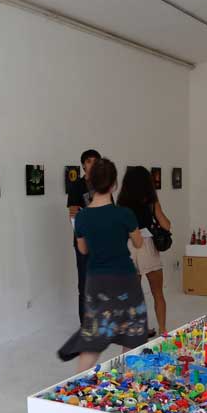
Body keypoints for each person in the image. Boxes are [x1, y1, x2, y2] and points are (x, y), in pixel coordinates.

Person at [58, 158, 149, 372]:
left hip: (96, 280)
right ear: (114, 184)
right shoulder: (125, 214)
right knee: (133, 334)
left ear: (90, 182)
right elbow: (138, 243)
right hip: (125, 279)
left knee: (94, 336)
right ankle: (127, 383)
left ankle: (78, 384)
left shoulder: (82, 217)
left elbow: (83, 250)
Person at [117, 166, 172, 336]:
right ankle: (163, 330)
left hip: (128, 247)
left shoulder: (121, 204)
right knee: (158, 293)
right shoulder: (151, 201)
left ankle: (138, 330)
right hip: (148, 246)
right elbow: (166, 225)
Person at [67, 149, 102, 324]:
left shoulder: (104, 186)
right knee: (85, 284)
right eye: (88, 161)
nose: (92, 165)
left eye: (95, 161)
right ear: (83, 165)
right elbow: (73, 215)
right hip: (84, 242)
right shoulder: (77, 186)